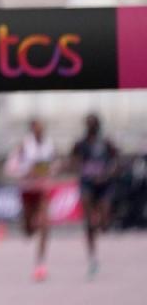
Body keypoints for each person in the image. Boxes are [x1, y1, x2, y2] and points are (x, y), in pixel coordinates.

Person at [6, 118, 58, 281]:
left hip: (42, 189)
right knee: (29, 231)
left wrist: (50, 170)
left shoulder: (49, 144)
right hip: (27, 189)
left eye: (41, 128)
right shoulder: (23, 145)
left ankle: (40, 265)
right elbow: (10, 167)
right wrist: (25, 171)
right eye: (36, 128)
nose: (39, 131)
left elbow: (56, 163)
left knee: (45, 225)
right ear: (31, 129)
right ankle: (28, 225)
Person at [71, 113, 119, 278]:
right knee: (89, 221)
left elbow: (116, 159)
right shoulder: (81, 143)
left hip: (104, 184)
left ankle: (102, 222)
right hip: (88, 183)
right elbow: (74, 160)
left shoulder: (106, 142)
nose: (91, 127)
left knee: (104, 222)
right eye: (88, 124)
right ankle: (92, 256)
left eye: (93, 124)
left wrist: (108, 174)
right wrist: (83, 171)